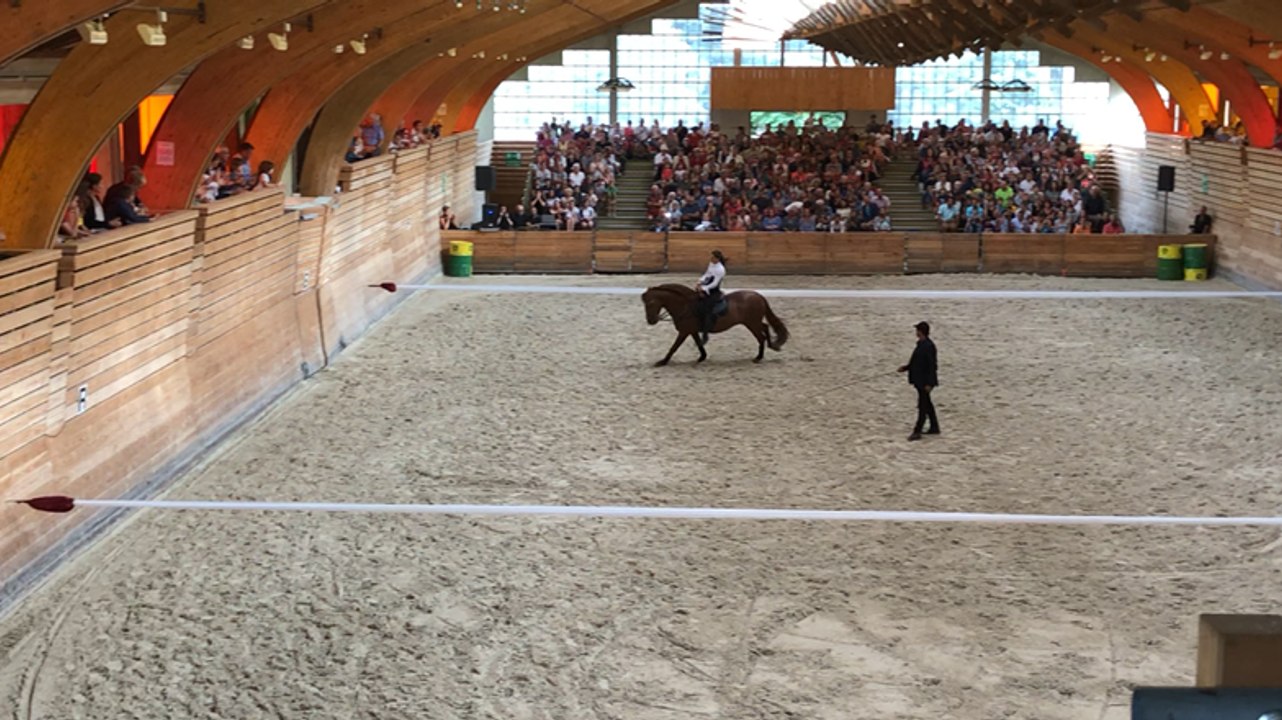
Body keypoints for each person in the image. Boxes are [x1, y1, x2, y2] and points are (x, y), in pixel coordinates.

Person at [897, 321, 939, 442]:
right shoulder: (921, 344)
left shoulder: (928, 346)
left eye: (917, 330)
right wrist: (905, 368)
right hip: (920, 380)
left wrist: (930, 383)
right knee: (927, 404)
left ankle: (917, 431)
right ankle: (934, 427)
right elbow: (916, 363)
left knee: (923, 405)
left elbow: (932, 366)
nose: (916, 332)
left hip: (924, 382)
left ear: (920, 331)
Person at [694, 250, 727, 343]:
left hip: (713, 291)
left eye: (713, 257)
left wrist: (704, 288)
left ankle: (705, 333)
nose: (711, 259)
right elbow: (707, 274)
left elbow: (715, 283)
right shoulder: (711, 264)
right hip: (706, 286)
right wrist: (699, 282)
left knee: (707, 309)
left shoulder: (720, 269)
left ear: (717, 259)